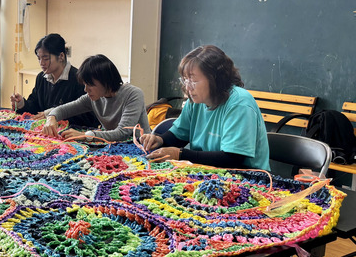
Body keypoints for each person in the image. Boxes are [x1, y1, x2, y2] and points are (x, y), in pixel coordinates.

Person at [141, 45, 269, 170]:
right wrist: (159, 140)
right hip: (208, 171)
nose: (188, 87)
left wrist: (180, 154)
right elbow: (178, 136)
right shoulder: (195, 101)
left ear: (215, 79)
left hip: (247, 175)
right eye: (185, 80)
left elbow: (232, 159)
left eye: (193, 81)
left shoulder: (239, 103)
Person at [42, 54, 150, 142]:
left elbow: (122, 133)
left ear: (106, 81)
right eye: (85, 84)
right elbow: (63, 109)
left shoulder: (133, 94)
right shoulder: (93, 98)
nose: (86, 89)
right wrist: (51, 118)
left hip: (139, 146)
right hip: (112, 145)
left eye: (90, 85)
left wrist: (86, 135)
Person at [9, 33, 99, 128]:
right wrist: (22, 104)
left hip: (69, 132)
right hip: (43, 130)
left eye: (46, 58)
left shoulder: (79, 80)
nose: (41, 63)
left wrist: (52, 114)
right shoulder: (41, 78)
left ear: (61, 56)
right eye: (39, 58)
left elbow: (88, 118)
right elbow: (35, 108)